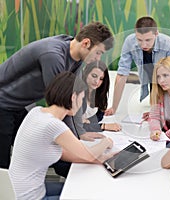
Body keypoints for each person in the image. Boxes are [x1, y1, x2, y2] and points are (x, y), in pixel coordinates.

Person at [0, 21, 113, 169]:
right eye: (98, 52)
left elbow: (72, 98)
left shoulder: (76, 57)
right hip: (3, 104)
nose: (98, 59)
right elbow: (63, 103)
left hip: (17, 106)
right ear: (86, 43)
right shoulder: (53, 55)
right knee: (3, 164)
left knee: (41, 150)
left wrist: (80, 133)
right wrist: (77, 143)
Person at [9, 72, 114, 200]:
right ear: (73, 97)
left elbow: (64, 153)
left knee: (79, 188)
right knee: (89, 194)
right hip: (30, 197)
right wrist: (106, 142)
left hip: (18, 191)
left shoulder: (36, 112)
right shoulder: (54, 125)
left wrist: (101, 158)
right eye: (81, 99)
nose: (81, 104)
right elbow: (88, 155)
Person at [105, 16, 170, 117]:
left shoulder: (168, 44)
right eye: (139, 40)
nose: (143, 45)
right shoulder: (129, 42)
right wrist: (114, 107)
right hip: (155, 79)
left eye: (148, 40)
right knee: (157, 113)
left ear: (156, 34)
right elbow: (122, 74)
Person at [82, 60, 121, 133]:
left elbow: (99, 116)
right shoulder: (77, 94)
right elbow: (76, 125)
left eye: (101, 79)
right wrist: (103, 126)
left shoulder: (99, 93)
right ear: (86, 73)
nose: (97, 81)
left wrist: (88, 122)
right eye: (94, 76)